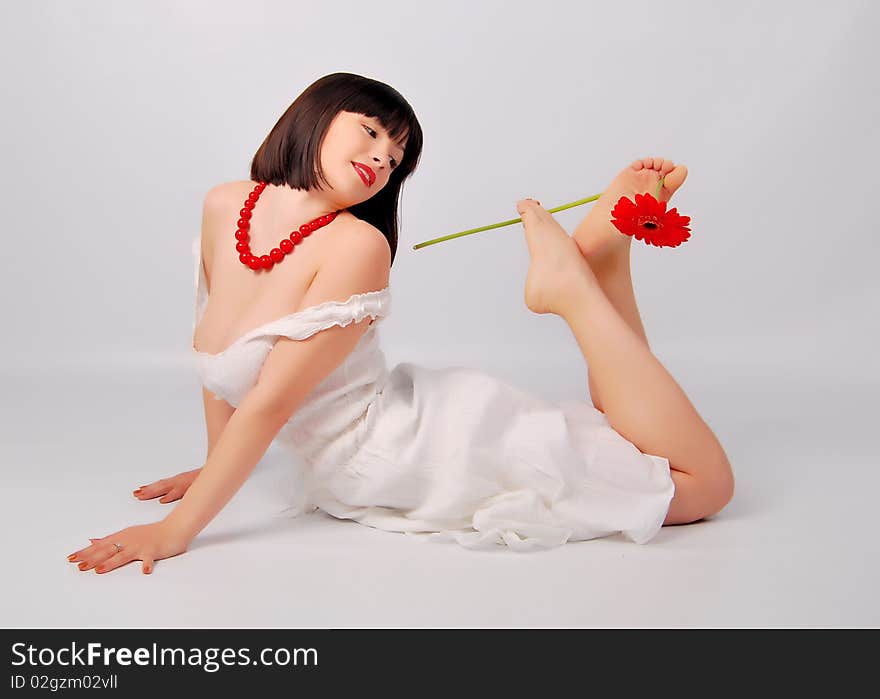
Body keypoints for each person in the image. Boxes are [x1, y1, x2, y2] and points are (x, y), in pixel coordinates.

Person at [67, 72, 734, 574]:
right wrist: (213, 466)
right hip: (398, 439)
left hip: (411, 449)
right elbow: (218, 359)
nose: (383, 159)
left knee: (702, 485)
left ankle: (578, 286)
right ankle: (599, 266)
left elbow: (268, 406)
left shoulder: (357, 246)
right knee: (630, 443)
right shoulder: (224, 204)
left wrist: (179, 530)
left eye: (396, 157)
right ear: (317, 112)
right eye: (374, 133)